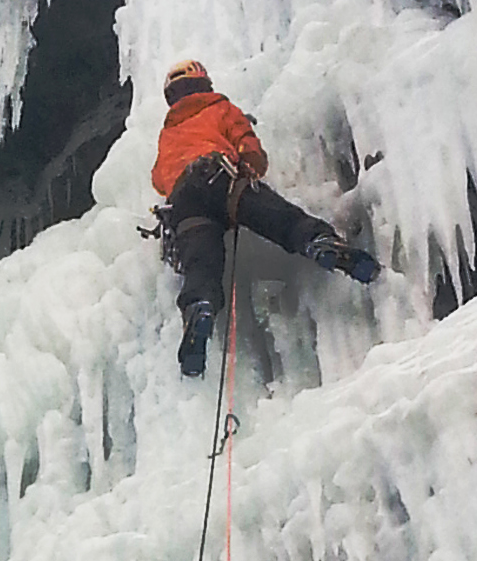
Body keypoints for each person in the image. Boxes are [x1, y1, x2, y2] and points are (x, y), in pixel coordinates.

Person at [152, 60, 381, 377]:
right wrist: (250, 162)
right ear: (203, 83)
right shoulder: (219, 107)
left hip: (183, 201)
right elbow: (247, 143)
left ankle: (198, 306)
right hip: (218, 175)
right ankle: (320, 242)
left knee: (200, 262)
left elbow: (159, 179)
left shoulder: (169, 132)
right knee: (278, 218)